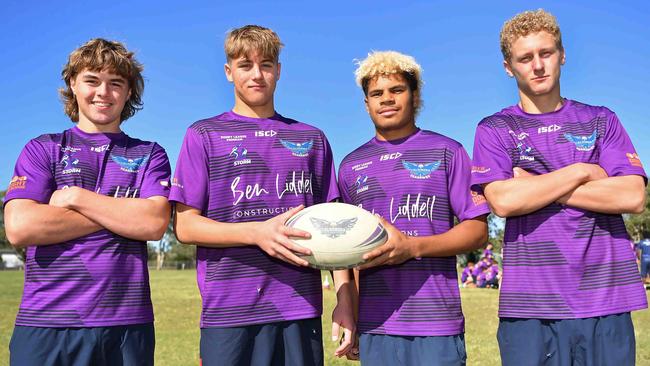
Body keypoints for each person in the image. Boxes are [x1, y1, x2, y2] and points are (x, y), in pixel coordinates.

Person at [169, 25, 355, 365]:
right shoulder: (203, 135)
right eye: (245, 65)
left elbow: (335, 226)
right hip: (228, 310)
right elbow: (186, 227)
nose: (257, 74)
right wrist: (256, 233)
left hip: (299, 307)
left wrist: (345, 298)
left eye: (266, 64)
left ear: (279, 71)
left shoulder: (312, 139)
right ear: (229, 72)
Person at [471, 9, 647, 365]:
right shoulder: (494, 128)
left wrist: (535, 185)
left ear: (562, 55)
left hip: (606, 298)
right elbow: (503, 201)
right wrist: (585, 171)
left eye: (546, 53)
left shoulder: (601, 119)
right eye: (525, 58)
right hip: (530, 305)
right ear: (509, 67)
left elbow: (632, 195)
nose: (537, 65)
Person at [4, 38, 171, 365]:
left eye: (116, 83)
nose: (103, 92)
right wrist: (123, 212)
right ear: (73, 84)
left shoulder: (149, 154)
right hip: (46, 321)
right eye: (92, 80)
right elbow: (21, 227)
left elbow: (153, 223)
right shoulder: (43, 149)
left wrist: (76, 198)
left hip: (125, 323)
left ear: (129, 92)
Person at [338, 51, 489, 365]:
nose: (387, 99)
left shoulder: (448, 151)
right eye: (376, 94)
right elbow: (343, 249)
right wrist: (348, 310)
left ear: (415, 95)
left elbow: (476, 231)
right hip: (376, 325)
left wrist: (412, 247)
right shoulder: (351, 166)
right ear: (366, 103)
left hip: (436, 323)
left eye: (397, 90)